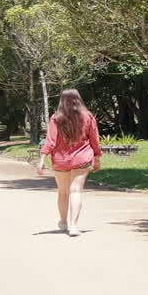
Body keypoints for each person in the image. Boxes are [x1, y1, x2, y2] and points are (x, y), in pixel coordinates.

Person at [36, 89, 102, 237]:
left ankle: (63, 221)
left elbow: (50, 141)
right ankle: (74, 226)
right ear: (78, 99)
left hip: (61, 160)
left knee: (63, 192)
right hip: (82, 158)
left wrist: (42, 159)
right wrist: (97, 157)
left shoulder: (56, 118)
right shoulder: (88, 116)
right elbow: (94, 140)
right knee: (76, 191)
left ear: (62, 100)